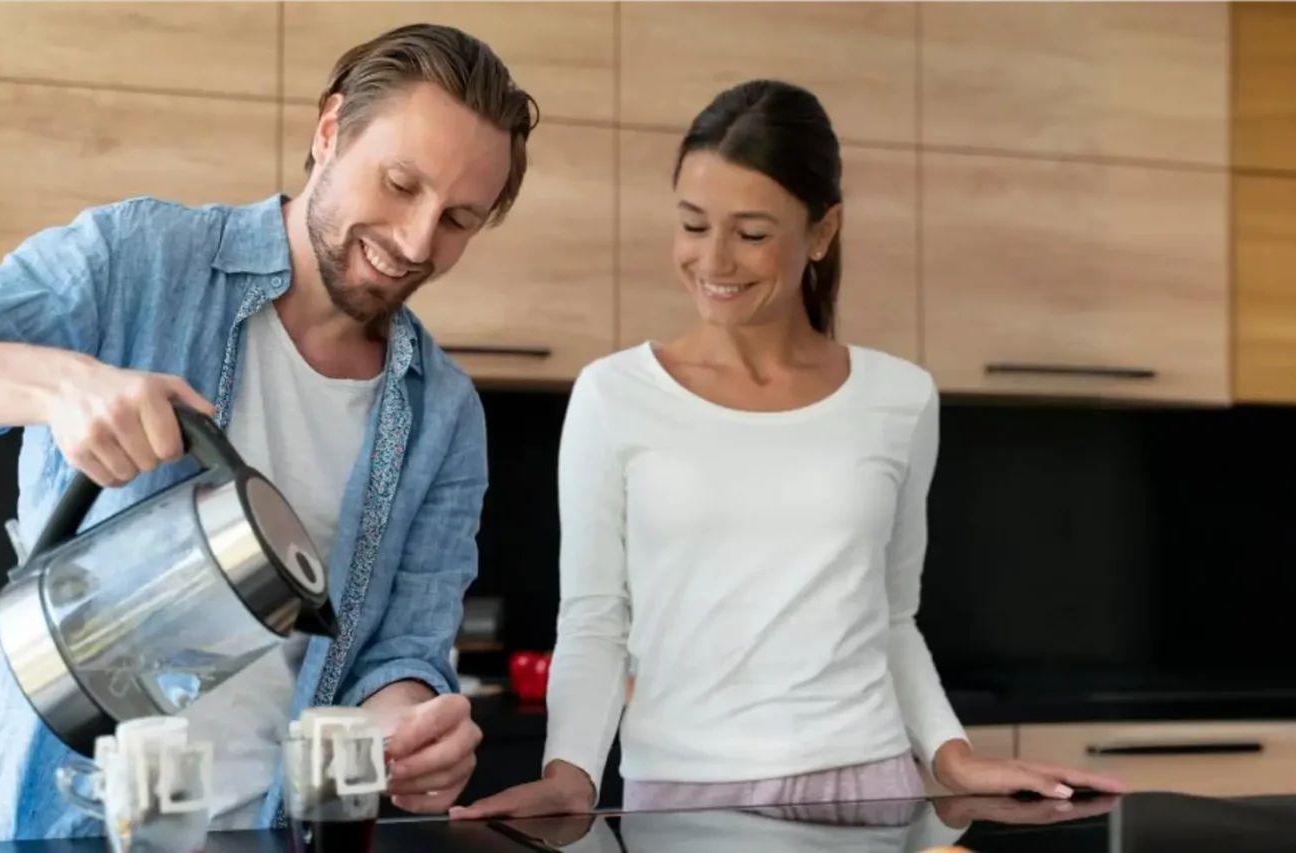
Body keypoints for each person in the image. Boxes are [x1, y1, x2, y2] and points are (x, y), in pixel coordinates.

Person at [0, 23, 539, 842]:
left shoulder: (443, 412)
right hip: (64, 822)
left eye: (458, 220)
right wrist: (63, 387)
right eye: (400, 184)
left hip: (270, 831)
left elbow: (403, 648)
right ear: (330, 130)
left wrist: (414, 730)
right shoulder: (141, 259)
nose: (415, 242)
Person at [452, 80, 1126, 819]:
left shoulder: (899, 399)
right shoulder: (614, 395)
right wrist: (571, 771)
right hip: (682, 797)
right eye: (692, 223)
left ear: (823, 230)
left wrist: (951, 755)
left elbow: (892, 618)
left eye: (751, 232)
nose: (715, 259)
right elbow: (592, 618)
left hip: (870, 787)